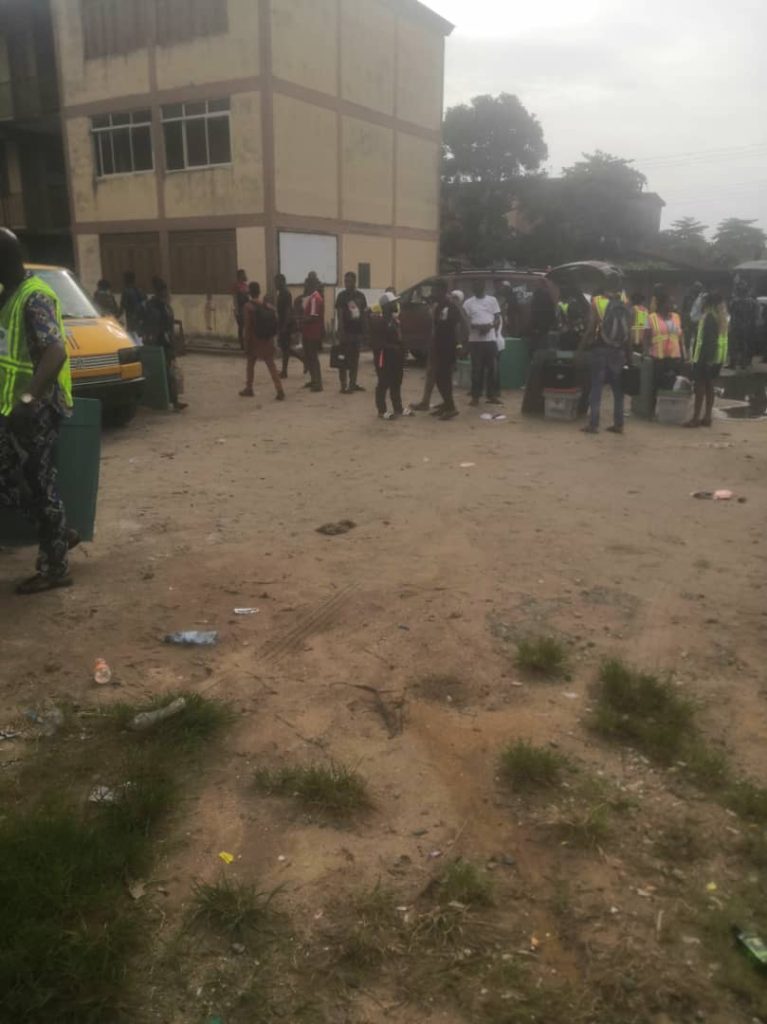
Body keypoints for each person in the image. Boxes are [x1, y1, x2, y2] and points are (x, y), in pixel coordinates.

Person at [0, 228, 77, 594]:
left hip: (35, 412)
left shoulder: (34, 298)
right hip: (9, 411)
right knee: (9, 483)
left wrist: (29, 399)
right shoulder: (7, 297)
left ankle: (55, 566)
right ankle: (58, 534)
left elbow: (55, 351)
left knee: (40, 486)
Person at [581, 274, 632, 435]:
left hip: (600, 348)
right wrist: (629, 355)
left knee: (596, 387)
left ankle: (593, 424)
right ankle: (618, 424)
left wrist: (581, 347)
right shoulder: (625, 303)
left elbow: (591, 327)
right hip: (619, 350)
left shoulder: (597, 302)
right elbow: (628, 331)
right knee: (618, 390)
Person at [685, 291, 728, 428]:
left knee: (700, 387)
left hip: (705, 358)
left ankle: (696, 418)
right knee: (710, 387)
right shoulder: (721, 317)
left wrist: (706, 360)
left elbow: (708, 341)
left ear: (707, 303)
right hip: (716, 359)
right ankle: (707, 417)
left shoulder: (709, 317)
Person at [144, 278, 187, 412]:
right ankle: (168, 401)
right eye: (164, 291)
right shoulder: (155, 306)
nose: (167, 294)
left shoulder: (162, 305)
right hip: (159, 343)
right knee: (164, 373)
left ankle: (172, 401)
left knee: (169, 372)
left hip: (165, 342)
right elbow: (155, 325)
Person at [240, 282, 284, 401]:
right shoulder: (268, 306)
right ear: (259, 292)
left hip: (254, 341)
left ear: (249, 292)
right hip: (267, 340)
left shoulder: (248, 307)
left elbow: (248, 327)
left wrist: (246, 342)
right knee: (271, 366)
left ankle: (249, 388)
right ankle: (279, 390)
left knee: (250, 364)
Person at [371, 293, 410, 420]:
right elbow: (377, 343)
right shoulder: (379, 322)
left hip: (396, 358)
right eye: (393, 302)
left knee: (396, 383)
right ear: (386, 306)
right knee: (383, 383)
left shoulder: (394, 321)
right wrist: (393, 347)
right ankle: (382, 411)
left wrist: (403, 349)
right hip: (384, 358)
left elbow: (399, 338)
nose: (396, 304)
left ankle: (398, 407)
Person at [463, 280, 502, 406]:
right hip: (475, 341)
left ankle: (491, 395)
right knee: (476, 369)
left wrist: (489, 327)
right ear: (473, 288)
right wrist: (478, 327)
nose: (477, 287)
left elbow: (497, 319)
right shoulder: (468, 303)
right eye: (475, 285)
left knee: (492, 369)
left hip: (490, 339)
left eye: (479, 285)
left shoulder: (492, 300)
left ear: (484, 287)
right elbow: (465, 321)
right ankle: (475, 396)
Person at [430, 279, 463, 420]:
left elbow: (457, 327)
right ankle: (446, 404)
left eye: (435, 290)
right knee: (439, 377)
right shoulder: (439, 307)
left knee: (444, 377)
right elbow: (436, 327)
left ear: (443, 291)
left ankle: (451, 407)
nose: (433, 293)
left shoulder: (451, 307)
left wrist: (459, 345)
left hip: (449, 347)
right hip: (439, 346)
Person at [645, 288, 686, 396]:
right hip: (658, 359)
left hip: (674, 359)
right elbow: (646, 337)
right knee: (657, 386)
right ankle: (655, 409)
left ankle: (670, 410)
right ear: (662, 304)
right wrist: (645, 355)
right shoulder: (651, 318)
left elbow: (680, 338)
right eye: (670, 303)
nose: (672, 306)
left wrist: (684, 355)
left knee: (673, 386)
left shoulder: (676, 317)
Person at [335, 271, 368, 394]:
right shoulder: (342, 296)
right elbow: (339, 314)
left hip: (357, 332)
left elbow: (364, 315)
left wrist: (365, 332)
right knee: (342, 359)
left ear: (355, 281)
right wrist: (340, 331)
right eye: (345, 281)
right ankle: (343, 385)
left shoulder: (360, 296)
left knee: (355, 359)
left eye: (349, 281)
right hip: (346, 332)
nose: (347, 283)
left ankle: (352, 383)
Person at [300, 273, 324, 392]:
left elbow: (313, 317)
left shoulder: (315, 298)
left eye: (307, 284)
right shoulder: (315, 297)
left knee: (312, 357)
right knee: (310, 357)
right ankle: (314, 380)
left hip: (312, 332)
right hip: (311, 331)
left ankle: (317, 382)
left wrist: (301, 319)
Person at [274, 273, 300, 379]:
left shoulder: (285, 293)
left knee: (285, 348)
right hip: (282, 322)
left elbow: (288, 310)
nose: (275, 284)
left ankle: (285, 371)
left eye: (276, 282)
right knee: (285, 347)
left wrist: (284, 326)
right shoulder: (281, 293)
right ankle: (303, 360)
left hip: (286, 323)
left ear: (282, 282)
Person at [728, 280, 758, 371]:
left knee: (736, 345)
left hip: (738, 326)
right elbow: (755, 315)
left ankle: (734, 363)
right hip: (746, 327)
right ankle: (742, 364)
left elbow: (730, 311)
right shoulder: (752, 302)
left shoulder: (735, 301)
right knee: (743, 345)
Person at [118, 270, 146, 340]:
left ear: (126, 280)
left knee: (132, 339)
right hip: (140, 319)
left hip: (131, 320)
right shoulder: (139, 290)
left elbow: (122, 307)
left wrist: (115, 317)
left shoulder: (126, 291)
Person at [231, 269, 249, 350]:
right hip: (240, 308)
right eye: (243, 274)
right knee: (241, 327)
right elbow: (234, 298)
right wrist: (236, 310)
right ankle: (242, 345)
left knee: (246, 327)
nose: (245, 275)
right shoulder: (236, 285)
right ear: (240, 276)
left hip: (246, 308)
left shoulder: (246, 285)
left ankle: (246, 343)